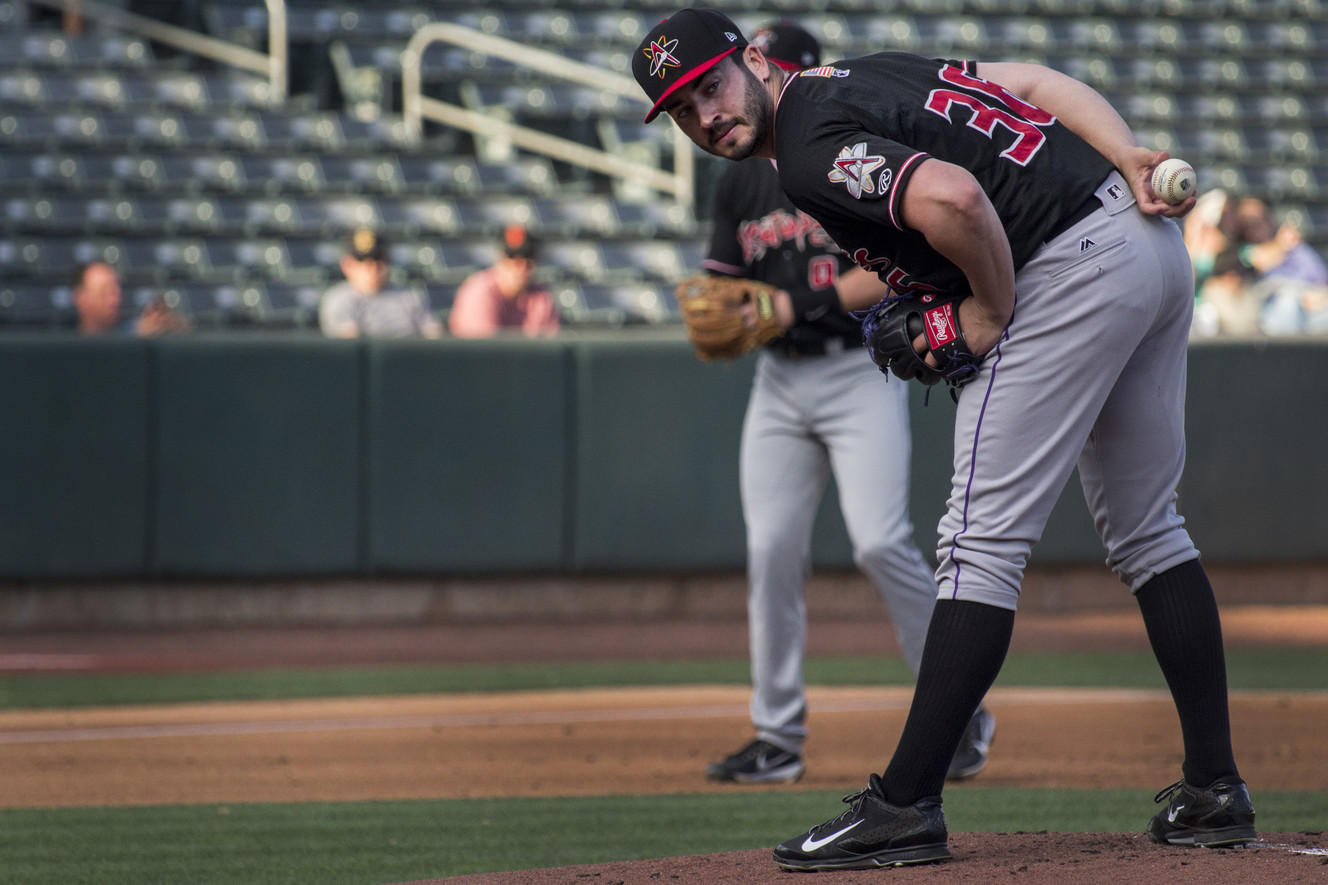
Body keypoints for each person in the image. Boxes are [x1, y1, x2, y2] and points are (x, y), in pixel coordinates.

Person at [633, 8, 1254, 870]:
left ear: (750, 61)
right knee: (1150, 527)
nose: (705, 115)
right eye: (682, 109)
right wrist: (1127, 152)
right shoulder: (869, 73)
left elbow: (954, 198)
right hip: (1144, 242)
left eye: (709, 85)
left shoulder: (808, 143)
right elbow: (1033, 86)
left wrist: (988, 310)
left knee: (977, 548)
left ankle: (904, 802)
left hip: (1061, 268)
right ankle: (1215, 789)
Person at [697, 20, 992, 788]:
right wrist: (726, 312)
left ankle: (956, 710)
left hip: (859, 370)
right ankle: (776, 735)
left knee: (878, 540)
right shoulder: (740, 178)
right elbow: (725, 286)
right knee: (769, 551)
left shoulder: (836, 144)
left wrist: (788, 305)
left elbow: (886, 271)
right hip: (780, 383)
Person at [319, 228, 443, 339]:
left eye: (379, 260)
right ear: (347, 265)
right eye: (365, 262)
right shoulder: (339, 299)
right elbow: (351, 346)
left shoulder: (411, 296)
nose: (374, 268)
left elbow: (434, 337)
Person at [448, 224, 561, 339]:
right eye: (513, 257)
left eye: (528, 257)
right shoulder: (480, 291)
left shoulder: (541, 297)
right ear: (500, 259)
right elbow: (484, 350)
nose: (522, 266)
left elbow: (549, 349)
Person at [71, 261, 190, 336]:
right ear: (81, 298)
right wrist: (136, 341)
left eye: (115, 292)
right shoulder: (65, 344)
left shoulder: (131, 328)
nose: (114, 301)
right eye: (104, 293)